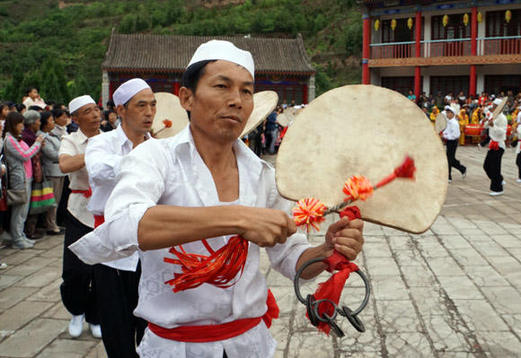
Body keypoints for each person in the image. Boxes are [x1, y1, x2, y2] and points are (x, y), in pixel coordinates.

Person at [70, 40, 364, 358]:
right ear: (187, 97)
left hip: (248, 344)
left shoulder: (261, 174)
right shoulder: (156, 157)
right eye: (222, 86)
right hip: (175, 347)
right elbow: (119, 226)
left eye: (247, 91)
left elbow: (291, 258)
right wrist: (237, 217)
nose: (236, 101)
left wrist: (324, 251)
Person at [85, 78, 152, 357]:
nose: (149, 112)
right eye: (141, 105)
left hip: (152, 245)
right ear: (121, 110)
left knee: (153, 322)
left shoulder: (159, 146)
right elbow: (99, 170)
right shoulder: (102, 143)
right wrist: (145, 157)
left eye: (153, 104)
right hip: (112, 247)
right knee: (116, 324)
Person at [58, 95, 102, 339]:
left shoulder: (110, 138)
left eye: (96, 109)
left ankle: (95, 316)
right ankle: (76, 311)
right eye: (88, 111)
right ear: (76, 118)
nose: (95, 115)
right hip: (78, 210)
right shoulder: (70, 140)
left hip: (105, 210)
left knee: (100, 269)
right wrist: (95, 151)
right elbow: (64, 165)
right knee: (75, 270)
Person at [3, 112, 44, 249]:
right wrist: (37, 144)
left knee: (23, 211)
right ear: (13, 125)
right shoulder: (9, 140)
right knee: (19, 211)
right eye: (19, 123)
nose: (22, 126)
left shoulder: (16, 138)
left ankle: (20, 236)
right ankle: (17, 239)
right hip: (19, 179)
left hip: (27, 177)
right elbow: (25, 155)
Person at [39, 111, 65, 235]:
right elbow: (52, 154)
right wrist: (65, 155)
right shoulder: (42, 137)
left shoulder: (51, 135)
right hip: (52, 171)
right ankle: (50, 224)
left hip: (59, 171)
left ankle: (53, 222)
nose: (53, 123)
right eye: (50, 120)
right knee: (52, 200)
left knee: (57, 199)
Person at [21, 110, 44, 240]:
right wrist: (38, 144)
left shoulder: (31, 135)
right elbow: (28, 154)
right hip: (28, 173)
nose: (39, 123)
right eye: (38, 121)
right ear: (33, 122)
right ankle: (28, 231)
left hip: (32, 172)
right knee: (27, 206)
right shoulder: (28, 137)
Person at [483, 98, 508, 196]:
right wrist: (486, 122)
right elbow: (486, 126)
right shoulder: (493, 116)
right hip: (492, 144)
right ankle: (499, 179)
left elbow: (502, 132)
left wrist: (493, 126)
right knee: (486, 166)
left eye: (494, 106)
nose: (492, 107)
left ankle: (498, 189)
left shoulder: (502, 118)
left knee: (495, 168)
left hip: (499, 145)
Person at [442, 106, 466, 183]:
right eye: (447, 112)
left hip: (453, 142)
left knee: (449, 160)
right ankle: (462, 168)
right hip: (449, 142)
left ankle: (448, 177)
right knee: (450, 159)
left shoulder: (454, 123)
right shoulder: (448, 121)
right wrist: (443, 134)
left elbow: (456, 135)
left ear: (452, 114)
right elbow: (446, 131)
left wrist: (445, 136)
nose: (447, 114)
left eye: (448, 113)